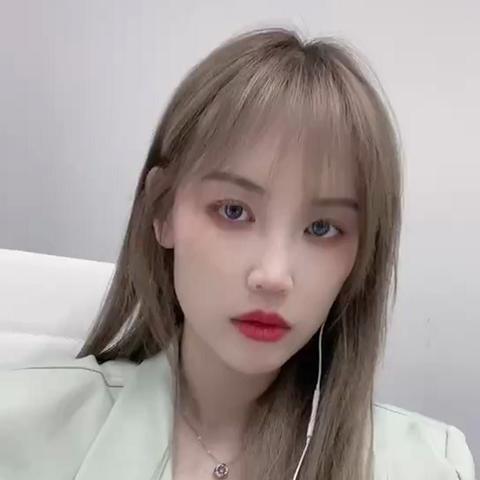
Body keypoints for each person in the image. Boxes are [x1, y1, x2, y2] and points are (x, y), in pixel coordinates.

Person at [0, 28, 475, 480]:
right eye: (233, 211)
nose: (273, 275)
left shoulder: (427, 466)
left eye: (322, 228)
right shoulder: (21, 425)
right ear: (163, 208)